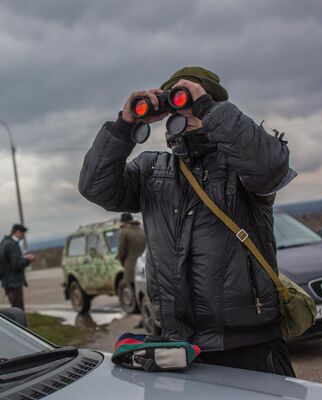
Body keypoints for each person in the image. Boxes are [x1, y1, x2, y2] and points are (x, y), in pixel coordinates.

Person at [78, 66, 297, 376]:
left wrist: (206, 108)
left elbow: (270, 166)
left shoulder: (243, 167)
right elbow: (95, 187)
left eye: (190, 103)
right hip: (178, 349)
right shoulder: (152, 170)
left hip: (249, 347)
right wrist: (123, 126)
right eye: (176, 106)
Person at [0, 223, 36, 310]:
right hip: (14, 282)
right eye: (23, 233)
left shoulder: (4, 242)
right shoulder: (12, 244)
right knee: (18, 309)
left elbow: (9, 261)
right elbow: (16, 264)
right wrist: (28, 259)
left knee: (15, 307)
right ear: (17, 232)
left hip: (8, 281)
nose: (23, 235)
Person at [116, 212, 146, 290]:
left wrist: (121, 261)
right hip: (144, 265)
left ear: (123, 221)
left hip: (131, 266)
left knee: (133, 289)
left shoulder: (124, 231)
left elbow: (121, 251)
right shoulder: (141, 230)